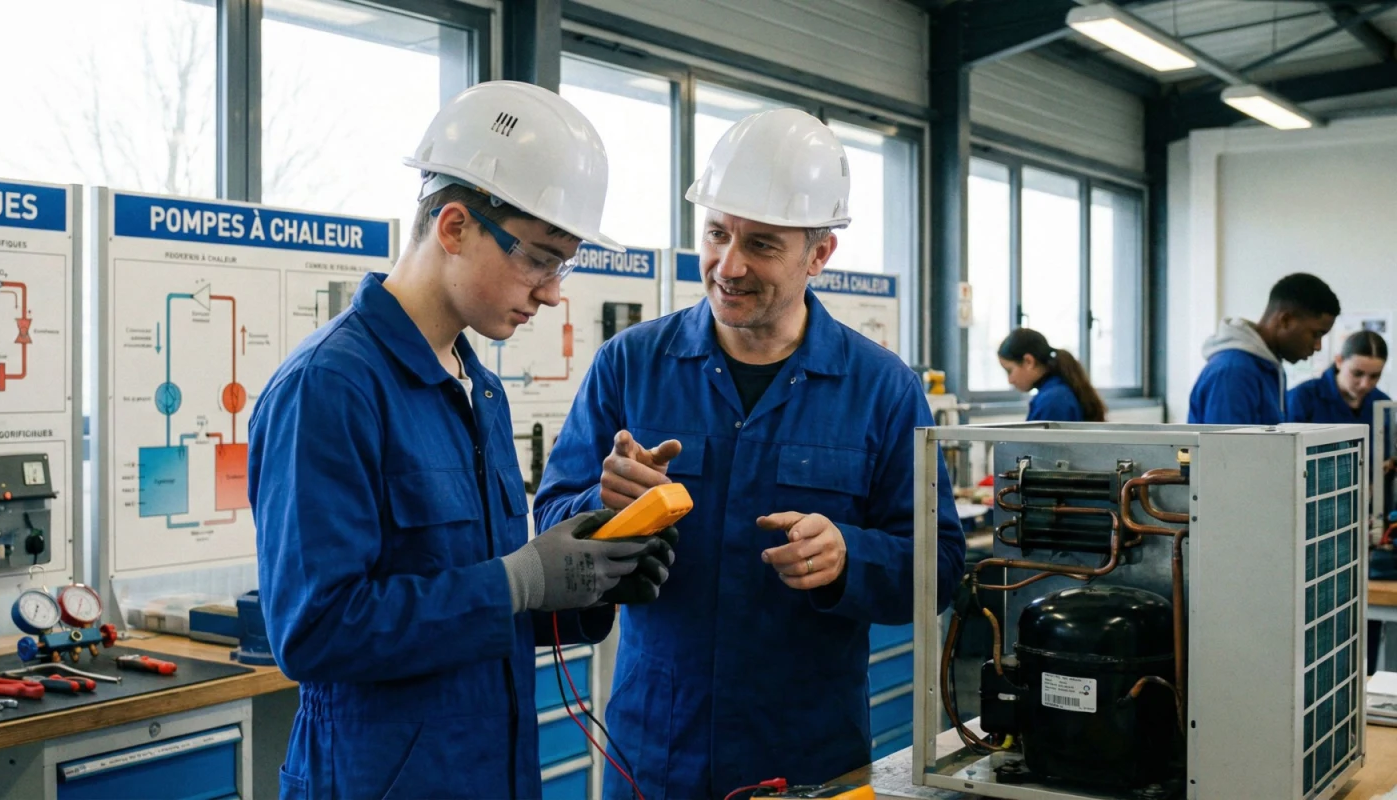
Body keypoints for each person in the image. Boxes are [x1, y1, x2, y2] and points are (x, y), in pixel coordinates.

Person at [248, 81, 673, 800]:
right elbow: (315, 632)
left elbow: (479, 610)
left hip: (490, 772)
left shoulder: (477, 387)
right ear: (453, 227)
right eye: (539, 258)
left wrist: (586, 584)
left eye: (561, 264)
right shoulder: (330, 388)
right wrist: (521, 578)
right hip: (375, 781)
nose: (550, 291)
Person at [534, 108, 967, 798]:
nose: (728, 266)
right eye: (716, 233)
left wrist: (851, 557)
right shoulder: (630, 366)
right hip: (655, 748)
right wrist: (601, 504)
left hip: (809, 752)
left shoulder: (882, 389)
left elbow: (938, 566)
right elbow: (553, 517)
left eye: (761, 244)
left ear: (819, 255)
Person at [1287, 330, 1394, 676]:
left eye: (1374, 375)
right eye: (1357, 373)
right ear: (1338, 362)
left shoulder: (1383, 406)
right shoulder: (1302, 399)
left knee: (1366, 622)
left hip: (1364, 532)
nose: (1365, 383)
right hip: (1310, 530)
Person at [1188, 273, 1340, 425]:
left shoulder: (1268, 367)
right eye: (1316, 334)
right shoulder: (1234, 371)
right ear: (1285, 320)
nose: (1318, 346)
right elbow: (1225, 447)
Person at [997, 327, 1106, 422]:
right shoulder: (1058, 391)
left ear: (1028, 361)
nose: (1010, 380)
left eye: (1009, 371)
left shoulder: (1052, 401)